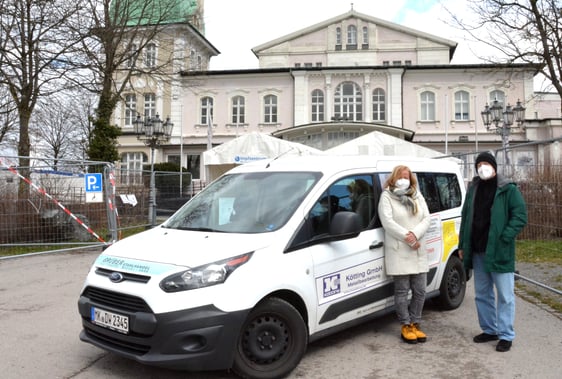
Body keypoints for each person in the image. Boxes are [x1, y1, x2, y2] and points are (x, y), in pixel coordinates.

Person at [459, 152, 527, 353]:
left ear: (494, 166)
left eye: (486, 163)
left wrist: (505, 236)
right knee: (482, 293)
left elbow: (520, 215)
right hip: (478, 250)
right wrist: (463, 245)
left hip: (499, 251)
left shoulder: (508, 189)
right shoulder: (473, 189)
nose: (482, 167)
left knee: (505, 295)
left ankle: (506, 335)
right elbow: (465, 218)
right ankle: (490, 329)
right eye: (479, 164)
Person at [378, 165, 431, 344]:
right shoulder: (387, 196)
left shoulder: (416, 194)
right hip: (400, 248)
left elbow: (426, 218)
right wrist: (408, 237)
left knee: (420, 290)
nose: (404, 179)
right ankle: (405, 325)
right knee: (402, 291)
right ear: (393, 178)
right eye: (400, 176)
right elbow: (387, 221)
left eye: (407, 176)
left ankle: (416, 322)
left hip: (417, 247)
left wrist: (415, 234)